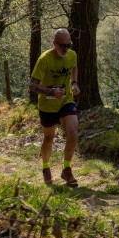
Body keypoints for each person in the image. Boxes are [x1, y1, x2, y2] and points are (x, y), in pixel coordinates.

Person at [29, 28, 81, 187]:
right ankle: (45, 167)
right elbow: (32, 86)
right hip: (47, 104)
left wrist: (74, 83)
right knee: (49, 138)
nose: (66, 49)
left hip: (66, 100)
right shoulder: (44, 59)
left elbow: (74, 67)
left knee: (73, 132)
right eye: (62, 46)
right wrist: (51, 91)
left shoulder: (71, 54)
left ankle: (67, 169)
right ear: (54, 43)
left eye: (69, 45)